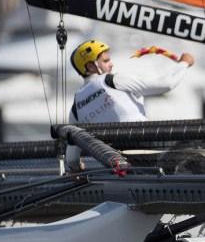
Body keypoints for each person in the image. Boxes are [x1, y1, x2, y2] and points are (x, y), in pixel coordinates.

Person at [66, 39, 194, 171]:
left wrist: (76, 169)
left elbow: (71, 158)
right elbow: (167, 84)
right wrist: (184, 63)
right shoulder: (112, 80)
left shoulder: (75, 108)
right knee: (194, 142)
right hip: (146, 145)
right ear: (91, 67)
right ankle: (172, 173)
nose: (111, 64)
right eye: (105, 61)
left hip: (118, 163)